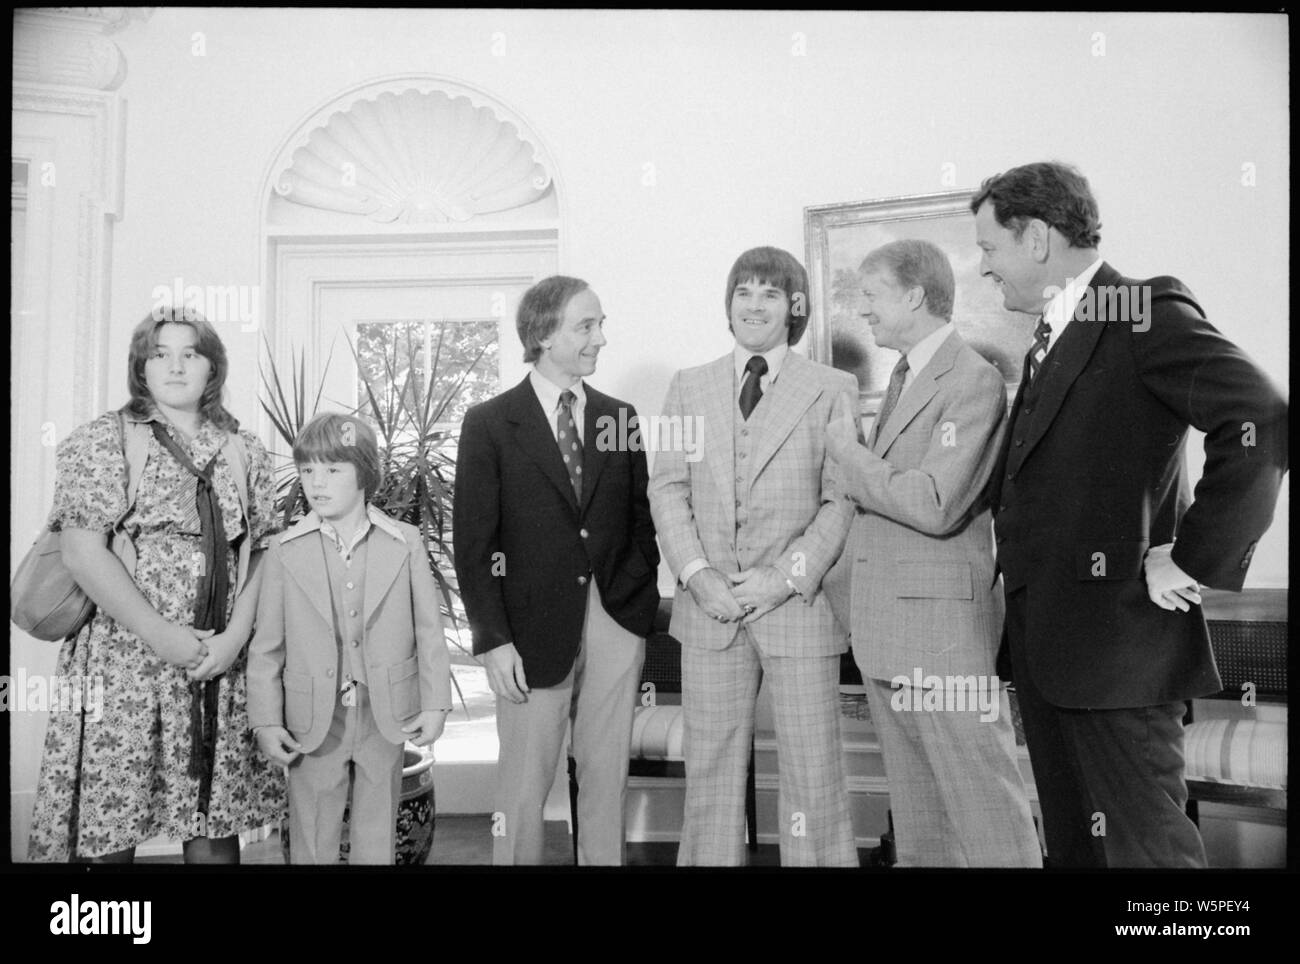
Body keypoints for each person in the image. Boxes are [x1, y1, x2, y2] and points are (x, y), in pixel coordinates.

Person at [972, 161, 1288, 867]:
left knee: (1149, 861)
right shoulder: (1053, 335)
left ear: (1037, 238)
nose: (984, 267)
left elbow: (1261, 417)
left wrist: (1192, 556)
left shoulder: (1140, 308)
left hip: (1120, 653)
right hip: (1050, 653)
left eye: (990, 248)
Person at [28, 307, 283, 863]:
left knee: (214, 821)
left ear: (212, 368)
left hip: (215, 661)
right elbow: (81, 552)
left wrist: (235, 638)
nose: (175, 366)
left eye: (191, 353)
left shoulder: (245, 449)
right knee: (108, 826)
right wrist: (160, 633)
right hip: (124, 659)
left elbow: (264, 551)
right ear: (140, 368)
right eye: (159, 354)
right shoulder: (103, 440)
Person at [823, 239, 1041, 867]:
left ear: (914, 296)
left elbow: (935, 502)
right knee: (922, 828)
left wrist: (847, 454)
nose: (864, 309)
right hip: (886, 630)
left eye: (872, 295)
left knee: (988, 817)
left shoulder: (971, 379)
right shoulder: (906, 374)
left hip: (941, 637)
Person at [649, 246, 859, 866]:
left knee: (813, 774)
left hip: (798, 608)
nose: (754, 305)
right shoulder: (687, 386)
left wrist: (783, 579)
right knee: (710, 776)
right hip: (708, 611)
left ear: (794, 307)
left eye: (770, 293)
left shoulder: (832, 388)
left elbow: (842, 498)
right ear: (728, 304)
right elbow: (667, 488)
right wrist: (697, 575)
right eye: (743, 292)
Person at [453, 275, 659, 865]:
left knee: (606, 780)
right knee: (522, 787)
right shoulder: (490, 423)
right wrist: (493, 640)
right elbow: (474, 545)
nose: (600, 338)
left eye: (600, 325)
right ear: (544, 334)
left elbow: (639, 520)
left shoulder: (619, 418)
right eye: (586, 326)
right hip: (527, 633)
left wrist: (638, 601)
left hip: (615, 619)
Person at [247, 413, 451, 864]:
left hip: (385, 710)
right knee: (312, 829)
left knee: (378, 830)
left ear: (364, 473)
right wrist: (266, 720)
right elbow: (267, 647)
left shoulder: (405, 542)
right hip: (313, 716)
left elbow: (428, 631)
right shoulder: (284, 549)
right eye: (307, 470)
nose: (316, 482)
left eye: (333, 469)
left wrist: (436, 703)